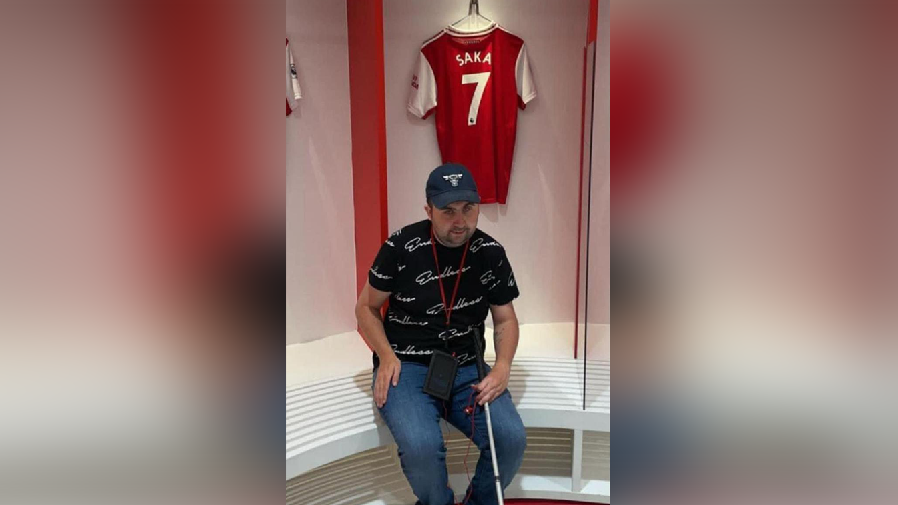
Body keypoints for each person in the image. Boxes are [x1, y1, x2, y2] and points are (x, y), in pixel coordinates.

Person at [356, 164, 527, 505]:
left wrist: (503, 365)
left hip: (466, 366)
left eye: (468, 209)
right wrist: (386, 356)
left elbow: (505, 320)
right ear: (428, 209)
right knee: (421, 448)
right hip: (406, 365)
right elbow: (366, 309)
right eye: (448, 211)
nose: (460, 221)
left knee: (510, 439)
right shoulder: (400, 246)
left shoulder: (490, 253)